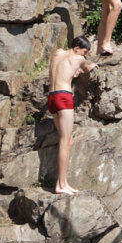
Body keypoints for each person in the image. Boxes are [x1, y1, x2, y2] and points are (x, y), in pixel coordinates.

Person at [47, 36, 97, 195]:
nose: (85, 56)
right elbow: (85, 69)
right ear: (76, 48)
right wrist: (90, 65)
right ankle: (61, 184)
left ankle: (63, 183)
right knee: (66, 140)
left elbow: (65, 69)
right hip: (63, 96)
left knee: (68, 141)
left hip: (52, 98)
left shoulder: (58, 53)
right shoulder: (78, 58)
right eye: (84, 52)